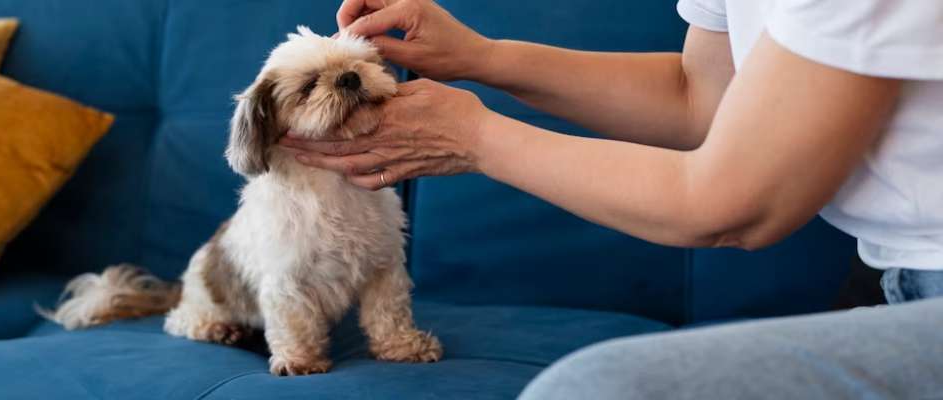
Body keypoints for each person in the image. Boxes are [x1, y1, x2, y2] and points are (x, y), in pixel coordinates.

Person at [279, 0, 943, 398]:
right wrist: (481, 57)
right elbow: (701, 98)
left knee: (596, 391)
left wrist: (473, 138)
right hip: (893, 280)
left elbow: (736, 206)